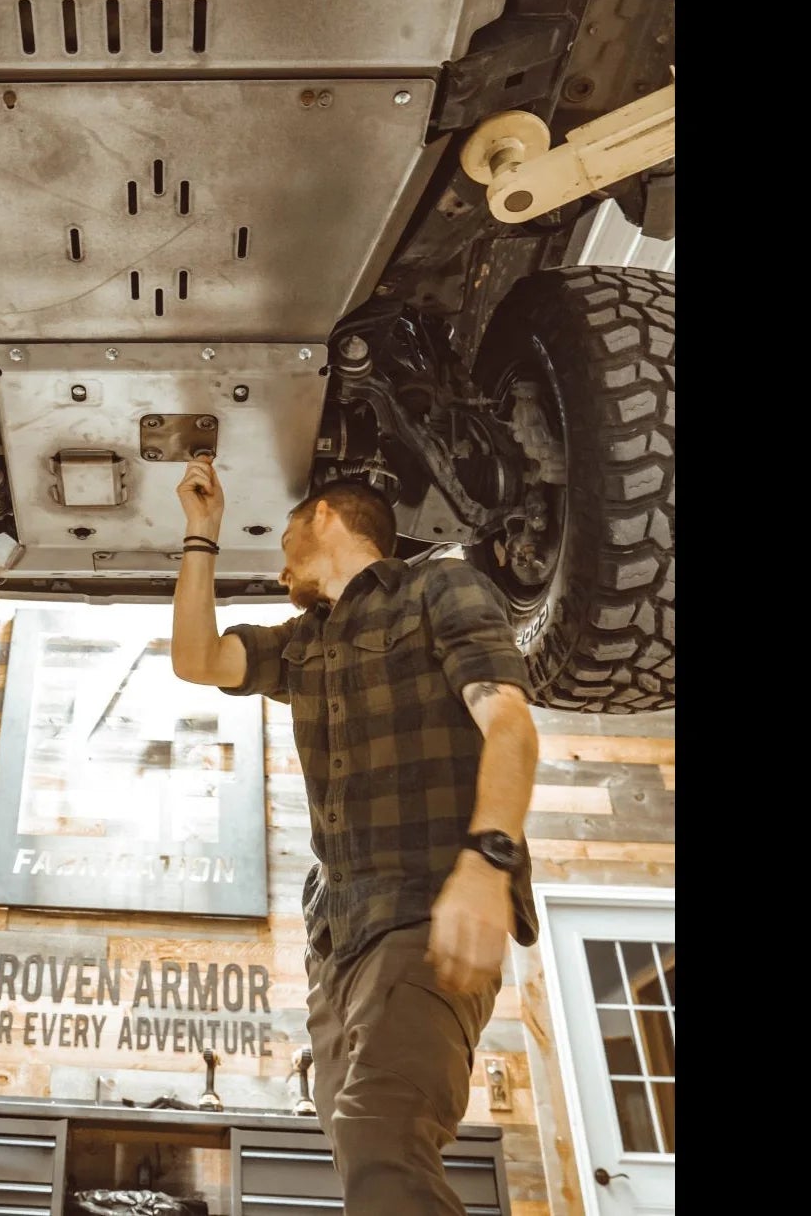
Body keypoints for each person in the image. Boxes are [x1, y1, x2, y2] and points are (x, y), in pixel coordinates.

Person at [169, 454, 539, 1216]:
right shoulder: (301, 643)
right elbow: (197, 659)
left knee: (383, 1138)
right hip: (338, 943)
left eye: (281, 545)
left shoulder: (440, 586)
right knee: (357, 1146)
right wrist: (200, 533)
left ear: (325, 518)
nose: (279, 572)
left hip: (425, 913)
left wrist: (487, 862)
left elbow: (508, 722)